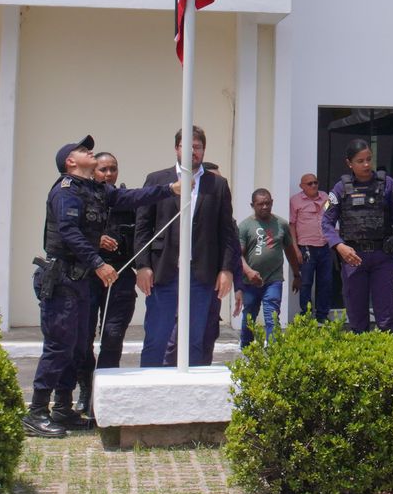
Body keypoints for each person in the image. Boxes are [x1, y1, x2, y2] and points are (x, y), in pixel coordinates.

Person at [31, 136, 176, 435]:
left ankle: (62, 409)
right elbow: (69, 232)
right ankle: (36, 412)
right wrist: (98, 262)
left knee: (76, 345)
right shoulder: (66, 192)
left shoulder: (94, 190)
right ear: (71, 162)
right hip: (63, 280)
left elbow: (131, 198)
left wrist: (169, 189)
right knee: (59, 346)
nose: (90, 151)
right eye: (83, 150)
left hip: (80, 282)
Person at [134, 126, 240, 368]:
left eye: (198, 147)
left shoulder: (218, 185)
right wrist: (142, 266)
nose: (193, 151)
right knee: (156, 339)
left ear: (204, 150)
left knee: (194, 341)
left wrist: (226, 269)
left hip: (201, 276)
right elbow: (142, 228)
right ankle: (151, 395)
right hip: (163, 273)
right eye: (187, 146)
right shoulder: (157, 180)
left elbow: (227, 232)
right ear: (176, 148)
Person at [322, 139, 393, 334]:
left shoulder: (387, 184)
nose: (366, 165)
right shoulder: (340, 189)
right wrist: (339, 246)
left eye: (369, 159)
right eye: (360, 161)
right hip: (353, 258)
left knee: (387, 317)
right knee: (357, 318)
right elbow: (326, 222)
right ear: (349, 163)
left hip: (382, 258)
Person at [91, 152, 139, 371]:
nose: (108, 174)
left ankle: (105, 381)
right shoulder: (81, 199)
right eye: (103, 170)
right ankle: (87, 387)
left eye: (113, 169)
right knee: (82, 337)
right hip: (88, 275)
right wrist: (96, 240)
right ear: (93, 172)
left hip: (120, 276)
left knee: (113, 334)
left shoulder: (126, 201)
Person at [238, 189, 300, 348]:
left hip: (274, 279)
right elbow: (238, 255)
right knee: (249, 316)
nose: (265, 207)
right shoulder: (245, 226)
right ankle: (247, 348)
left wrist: (296, 274)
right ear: (253, 205)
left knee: (272, 314)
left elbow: (290, 250)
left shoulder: (281, 224)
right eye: (260, 204)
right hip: (250, 281)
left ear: (272, 202)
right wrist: (249, 272)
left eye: (268, 203)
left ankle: (273, 350)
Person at [288, 173, 334, 321]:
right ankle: (306, 315)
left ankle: (322, 315)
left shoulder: (325, 198)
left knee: (325, 282)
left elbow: (332, 217)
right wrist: (295, 249)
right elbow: (292, 225)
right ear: (302, 186)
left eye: (315, 182)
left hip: (325, 246)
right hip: (306, 248)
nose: (313, 185)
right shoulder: (295, 201)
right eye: (309, 183)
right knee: (306, 282)